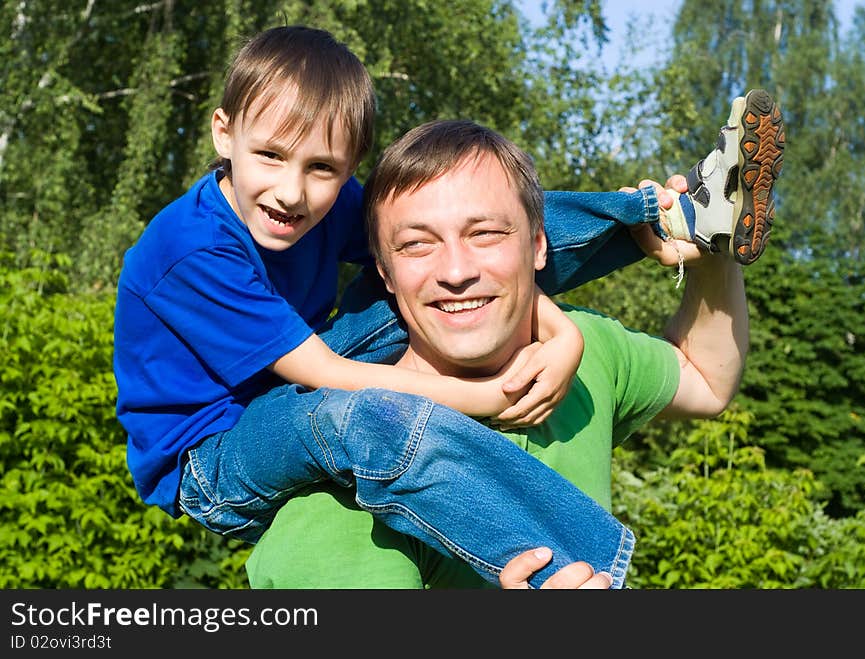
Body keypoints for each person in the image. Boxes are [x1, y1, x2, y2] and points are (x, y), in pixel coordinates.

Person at [111, 20, 775, 588]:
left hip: (300, 387)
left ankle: (665, 219)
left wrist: (561, 330)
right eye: (270, 156)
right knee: (367, 416)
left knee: (476, 209)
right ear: (221, 133)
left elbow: (470, 241)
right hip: (215, 451)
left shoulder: (328, 202)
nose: (292, 192)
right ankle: (572, 570)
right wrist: (491, 401)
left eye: (322, 168)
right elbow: (327, 378)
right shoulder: (192, 251)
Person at [246, 92, 785, 589]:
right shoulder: (354, 483)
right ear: (385, 274)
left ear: (538, 246)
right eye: (416, 245)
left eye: (484, 234)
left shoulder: (588, 350)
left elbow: (706, 379)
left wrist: (714, 251)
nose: (455, 271)